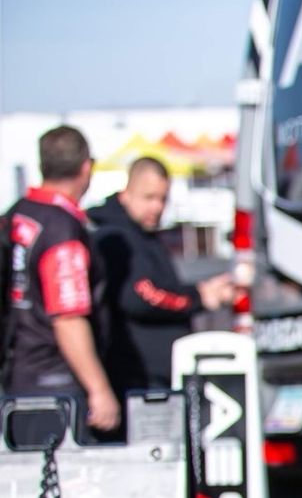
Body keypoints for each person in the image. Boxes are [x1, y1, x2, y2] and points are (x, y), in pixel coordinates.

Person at [3, 125, 118, 433]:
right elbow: (67, 316)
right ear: (86, 167)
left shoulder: (17, 215)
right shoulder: (60, 229)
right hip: (55, 383)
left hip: (17, 377)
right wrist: (99, 388)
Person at [90, 156, 234, 392]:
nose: (157, 207)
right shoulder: (116, 235)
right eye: (149, 197)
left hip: (159, 374)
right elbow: (141, 295)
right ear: (126, 193)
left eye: (163, 199)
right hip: (138, 377)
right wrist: (199, 297)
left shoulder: (142, 234)